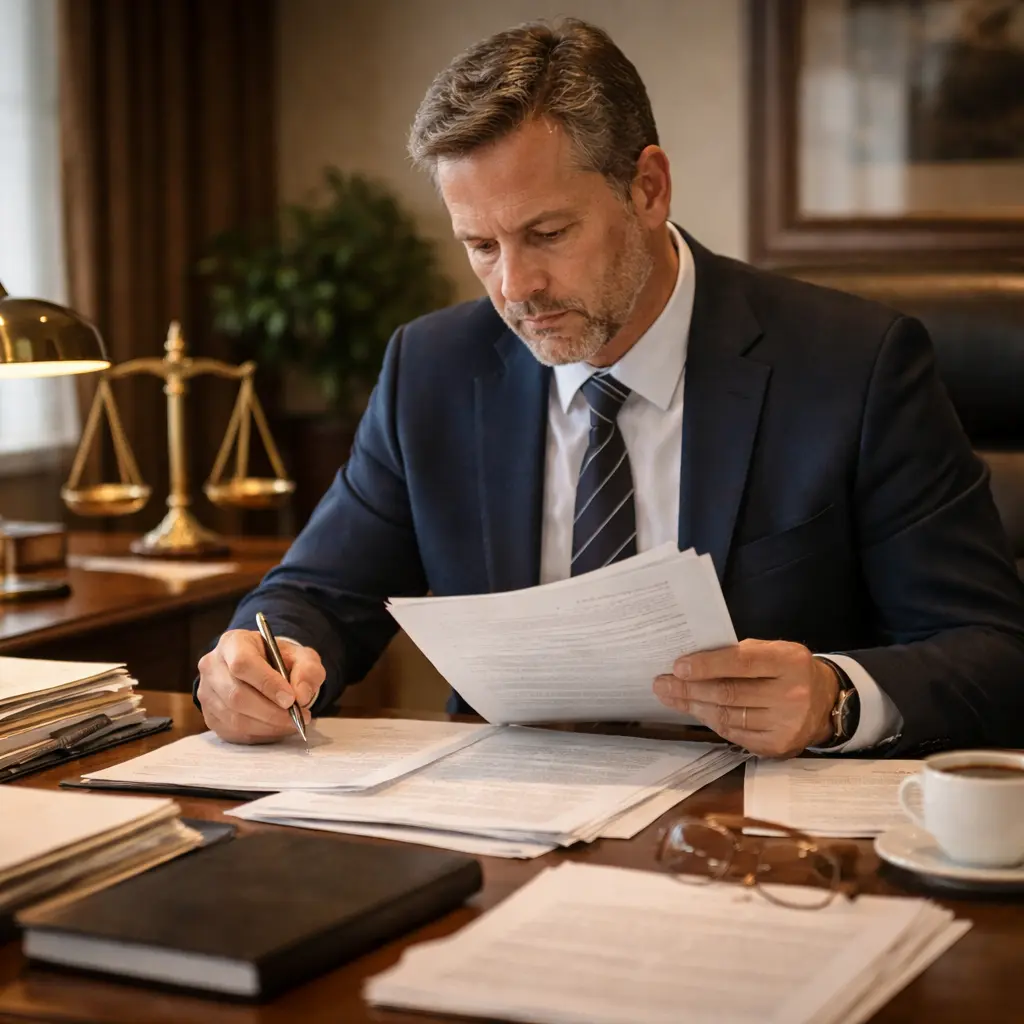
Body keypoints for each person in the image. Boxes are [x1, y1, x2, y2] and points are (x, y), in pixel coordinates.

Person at [196, 18, 1024, 759]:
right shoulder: (433, 368)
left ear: (649, 188)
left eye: (547, 233)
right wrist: (260, 661)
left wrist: (836, 698)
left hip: (755, 840)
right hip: (510, 831)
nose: (516, 286)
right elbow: (314, 594)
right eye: (480, 245)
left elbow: (993, 650)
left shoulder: (856, 365)